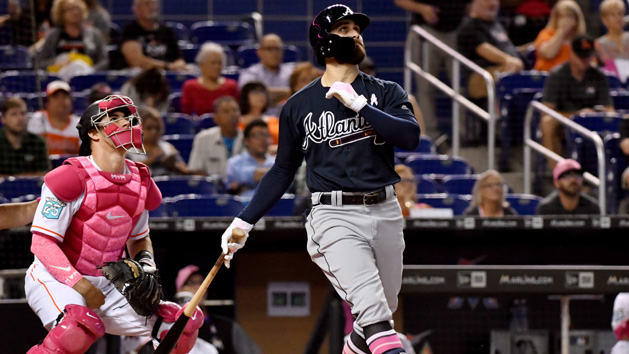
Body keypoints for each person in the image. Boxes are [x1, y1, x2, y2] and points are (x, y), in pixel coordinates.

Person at [219, 5, 420, 354]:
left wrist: (361, 106)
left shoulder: (385, 91)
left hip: (386, 209)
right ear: (324, 42)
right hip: (334, 215)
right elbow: (283, 169)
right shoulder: (299, 105)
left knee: (379, 315)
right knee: (377, 319)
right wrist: (244, 220)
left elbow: (410, 137)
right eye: (345, 29)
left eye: (357, 28)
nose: (355, 34)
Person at [24, 94, 203, 354]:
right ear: (93, 133)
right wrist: (81, 285)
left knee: (178, 327)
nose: (127, 123)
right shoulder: (70, 176)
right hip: (56, 278)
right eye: (115, 118)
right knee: (74, 330)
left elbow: (139, 237)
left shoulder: (140, 179)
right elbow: (42, 242)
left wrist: (146, 267)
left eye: (129, 117)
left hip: (107, 283)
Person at [394, 0, 470, 138]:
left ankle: (463, 136)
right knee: (426, 88)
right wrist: (422, 8)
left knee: (461, 88)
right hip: (426, 32)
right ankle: (430, 137)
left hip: (457, 31)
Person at [541, 34, 614, 168]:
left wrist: (595, 113)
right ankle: (559, 172)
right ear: (571, 53)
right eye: (580, 57)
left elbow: (610, 110)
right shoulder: (557, 75)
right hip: (565, 122)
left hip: (591, 124)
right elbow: (546, 111)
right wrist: (576, 116)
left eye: (587, 57)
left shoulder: (599, 76)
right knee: (547, 122)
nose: (584, 61)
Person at [174, 265, 263, 354]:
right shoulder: (171, 325)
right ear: (180, 290)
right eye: (192, 283)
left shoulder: (227, 326)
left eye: (202, 283)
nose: (199, 287)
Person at [457, 0, 524, 100]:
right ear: (475, 3)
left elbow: (509, 49)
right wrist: (508, 60)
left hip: (505, 67)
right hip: (480, 76)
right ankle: (501, 110)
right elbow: (484, 49)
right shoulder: (470, 26)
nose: (492, 3)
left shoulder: (497, 25)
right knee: (512, 68)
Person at [36, 0, 108, 79]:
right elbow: (41, 63)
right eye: (70, 9)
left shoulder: (94, 34)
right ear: (61, 13)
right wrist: (57, 63)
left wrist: (91, 71)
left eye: (77, 9)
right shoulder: (53, 36)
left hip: (87, 76)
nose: (75, 12)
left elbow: (104, 61)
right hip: (60, 78)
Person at [127, 106, 194, 176]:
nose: (154, 132)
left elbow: (186, 172)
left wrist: (173, 165)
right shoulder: (128, 150)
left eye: (157, 128)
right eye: (149, 128)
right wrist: (151, 160)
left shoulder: (168, 148)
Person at [120, 0, 186, 71]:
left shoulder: (167, 31)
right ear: (137, 10)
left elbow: (179, 59)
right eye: (147, 4)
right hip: (141, 75)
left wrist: (179, 65)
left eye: (154, 3)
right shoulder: (130, 30)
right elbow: (135, 61)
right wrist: (166, 66)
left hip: (166, 74)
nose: (152, 7)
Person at [188, 96, 243, 177]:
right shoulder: (203, 138)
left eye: (235, 110)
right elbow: (195, 170)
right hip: (210, 187)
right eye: (226, 111)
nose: (232, 115)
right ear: (216, 118)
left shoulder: (248, 138)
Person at [181, 42, 239, 116]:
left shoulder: (231, 86)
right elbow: (187, 115)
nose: (217, 67)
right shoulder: (190, 86)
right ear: (201, 65)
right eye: (213, 63)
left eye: (219, 63)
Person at [237, 33, 294, 109]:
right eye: (269, 49)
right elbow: (248, 94)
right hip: (259, 119)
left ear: (282, 52)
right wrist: (289, 92)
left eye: (277, 49)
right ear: (259, 52)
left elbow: (302, 93)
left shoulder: (291, 72)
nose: (274, 53)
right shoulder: (250, 73)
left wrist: (266, 94)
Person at [27, 80, 81, 155]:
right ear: (47, 103)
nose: (61, 101)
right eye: (56, 97)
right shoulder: (38, 119)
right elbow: (30, 150)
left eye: (64, 97)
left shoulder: (79, 124)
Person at [0, 97, 50, 176]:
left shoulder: (37, 143)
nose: (20, 118)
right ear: (3, 118)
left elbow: (44, 175)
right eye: (14, 114)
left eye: (23, 113)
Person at [225, 120, 275, 197]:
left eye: (266, 135)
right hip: (244, 206)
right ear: (246, 141)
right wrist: (275, 175)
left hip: (277, 205)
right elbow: (233, 185)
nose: (262, 139)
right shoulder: (234, 163)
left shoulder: (276, 162)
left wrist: (249, 180)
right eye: (258, 135)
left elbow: (289, 183)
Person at [533, 0, 586, 72]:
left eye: (569, 16)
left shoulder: (582, 40)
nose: (565, 20)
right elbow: (548, 54)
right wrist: (562, 32)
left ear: (576, 20)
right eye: (561, 16)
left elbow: (590, 64)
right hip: (547, 78)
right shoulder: (545, 34)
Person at [535, 159, 601, 215]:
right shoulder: (546, 208)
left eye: (577, 176)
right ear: (556, 182)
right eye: (567, 176)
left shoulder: (592, 208)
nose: (573, 180)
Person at [238, 81, 280, 146]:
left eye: (263, 92)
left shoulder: (275, 121)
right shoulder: (237, 123)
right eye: (255, 92)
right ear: (245, 97)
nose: (261, 95)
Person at [595, 0, 629, 79]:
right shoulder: (599, 44)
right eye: (613, 15)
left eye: (620, 13)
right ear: (604, 19)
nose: (618, 18)